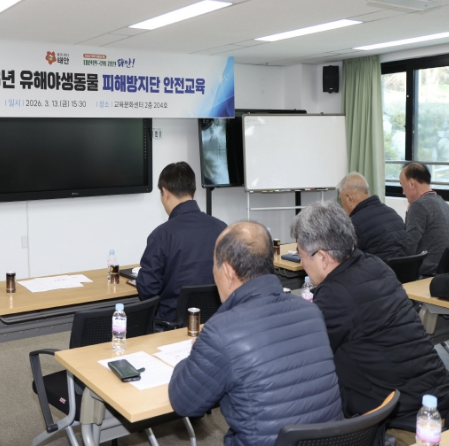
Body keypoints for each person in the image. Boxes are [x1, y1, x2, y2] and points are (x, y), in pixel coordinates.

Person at [169, 221, 343, 446]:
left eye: (215, 266)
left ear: (228, 271)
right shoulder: (311, 312)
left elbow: (184, 402)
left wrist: (191, 357)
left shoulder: (222, 331)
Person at [291, 201, 449, 445]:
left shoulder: (335, 295)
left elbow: (303, 356)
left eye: (301, 256)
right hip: (436, 397)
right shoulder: (374, 265)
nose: (302, 263)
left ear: (322, 257)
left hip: (408, 421)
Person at [136, 162, 227, 321]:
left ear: (165, 193)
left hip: (171, 326)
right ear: (194, 193)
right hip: (214, 322)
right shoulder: (223, 229)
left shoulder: (161, 235)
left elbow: (147, 290)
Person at [336, 172, 407, 262]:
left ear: (349, 199)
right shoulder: (393, 213)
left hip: (380, 270)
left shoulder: (354, 224)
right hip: (406, 270)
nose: (342, 206)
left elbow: (345, 260)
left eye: (341, 200)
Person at [399, 162, 449, 276]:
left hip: (426, 274)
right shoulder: (443, 204)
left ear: (412, 184)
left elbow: (409, 248)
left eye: (403, 186)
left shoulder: (419, 205)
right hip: (442, 273)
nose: (403, 192)